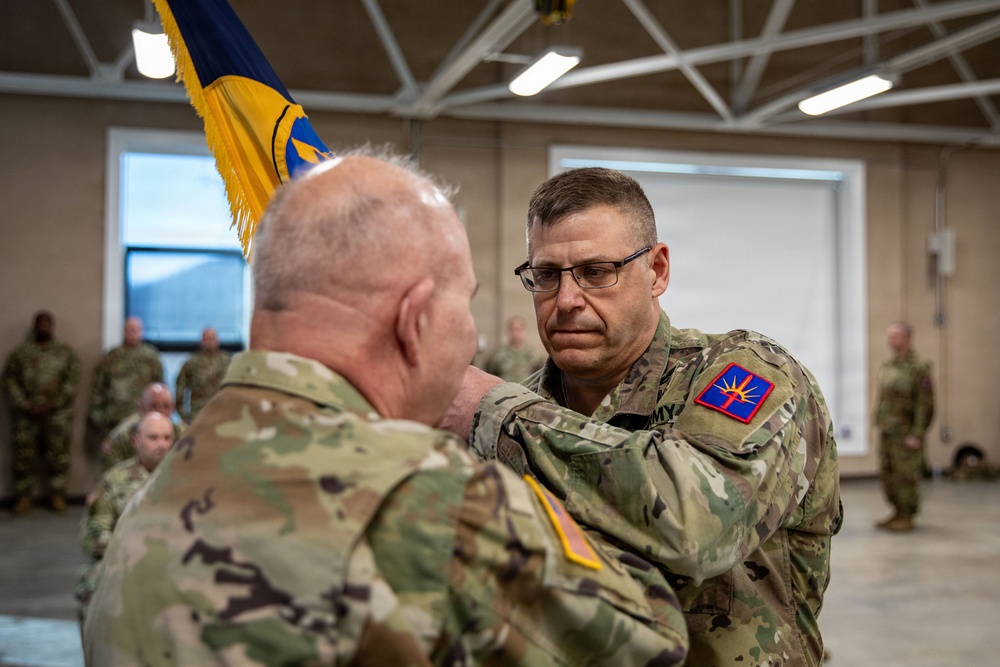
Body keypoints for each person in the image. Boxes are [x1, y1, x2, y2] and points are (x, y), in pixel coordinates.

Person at [84, 153, 688, 665]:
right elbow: (652, 640)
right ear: (416, 319)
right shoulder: (430, 496)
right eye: (464, 304)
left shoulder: (162, 477)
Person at [443, 167, 842, 667]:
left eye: (596, 272)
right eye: (546, 275)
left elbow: (701, 524)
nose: (566, 300)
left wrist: (494, 413)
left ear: (656, 271)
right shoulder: (519, 409)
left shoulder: (744, 373)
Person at [75, 411, 175, 625]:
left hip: (174, 562)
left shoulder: (187, 480)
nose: (162, 444)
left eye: (167, 438)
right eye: (153, 437)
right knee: (93, 581)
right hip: (124, 561)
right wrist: (132, 553)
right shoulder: (114, 481)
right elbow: (94, 536)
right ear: (135, 441)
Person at [2, 311, 81, 514]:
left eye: (47, 323)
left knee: (58, 457)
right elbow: (10, 381)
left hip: (57, 416)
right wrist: (25, 405)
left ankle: (57, 495)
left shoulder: (65, 353)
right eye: (40, 323)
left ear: (52, 326)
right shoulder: (20, 354)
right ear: (35, 326)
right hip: (26, 416)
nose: (43, 327)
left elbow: (71, 383)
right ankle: (23, 497)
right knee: (23, 458)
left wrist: (52, 404)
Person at [873, 320, 935, 532]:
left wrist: (917, 434)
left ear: (908, 338)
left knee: (905, 476)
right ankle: (897, 511)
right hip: (888, 431)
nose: (891, 340)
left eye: (895, 335)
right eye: (889, 336)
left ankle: (907, 514)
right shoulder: (889, 366)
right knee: (889, 474)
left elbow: (925, 405)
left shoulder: (918, 368)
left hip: (906, 433)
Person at [86, 316, 163, 444]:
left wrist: (159, 415)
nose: (132, 333)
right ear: (123, 331)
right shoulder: (111, 357)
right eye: (129, 329)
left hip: (143, 417)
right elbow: (98, 387)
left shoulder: (151, 357)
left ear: (141, 332)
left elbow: (159, 389)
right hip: (115, 417)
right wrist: (98, 416)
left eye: (135, 330)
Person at [98, 382, 185, 471]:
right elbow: (110, 475)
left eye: (166, 406)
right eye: (154, 406)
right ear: (142, 407)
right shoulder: (122, 437)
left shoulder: (184, 433)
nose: (160, 412)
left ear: (173, 408)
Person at [175, 326, 231, 423]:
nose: (210, 342)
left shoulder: (228, 362)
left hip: (223, 412)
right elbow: (180, 390)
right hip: (198, 413)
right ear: (201, 341)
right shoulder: (191, 363)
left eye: (212, 338)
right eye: (207, 339)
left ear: (218, 340)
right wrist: (183, 415)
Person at [484, 315, 543, 382]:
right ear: (508, 332)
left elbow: (541, 376)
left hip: (527, 390)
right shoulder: (498, 355)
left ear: (523, 331)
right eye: (513, 330)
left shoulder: (534, 355)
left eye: (518, 330)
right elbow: (489, 375)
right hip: (504, 390)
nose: (516, 333)